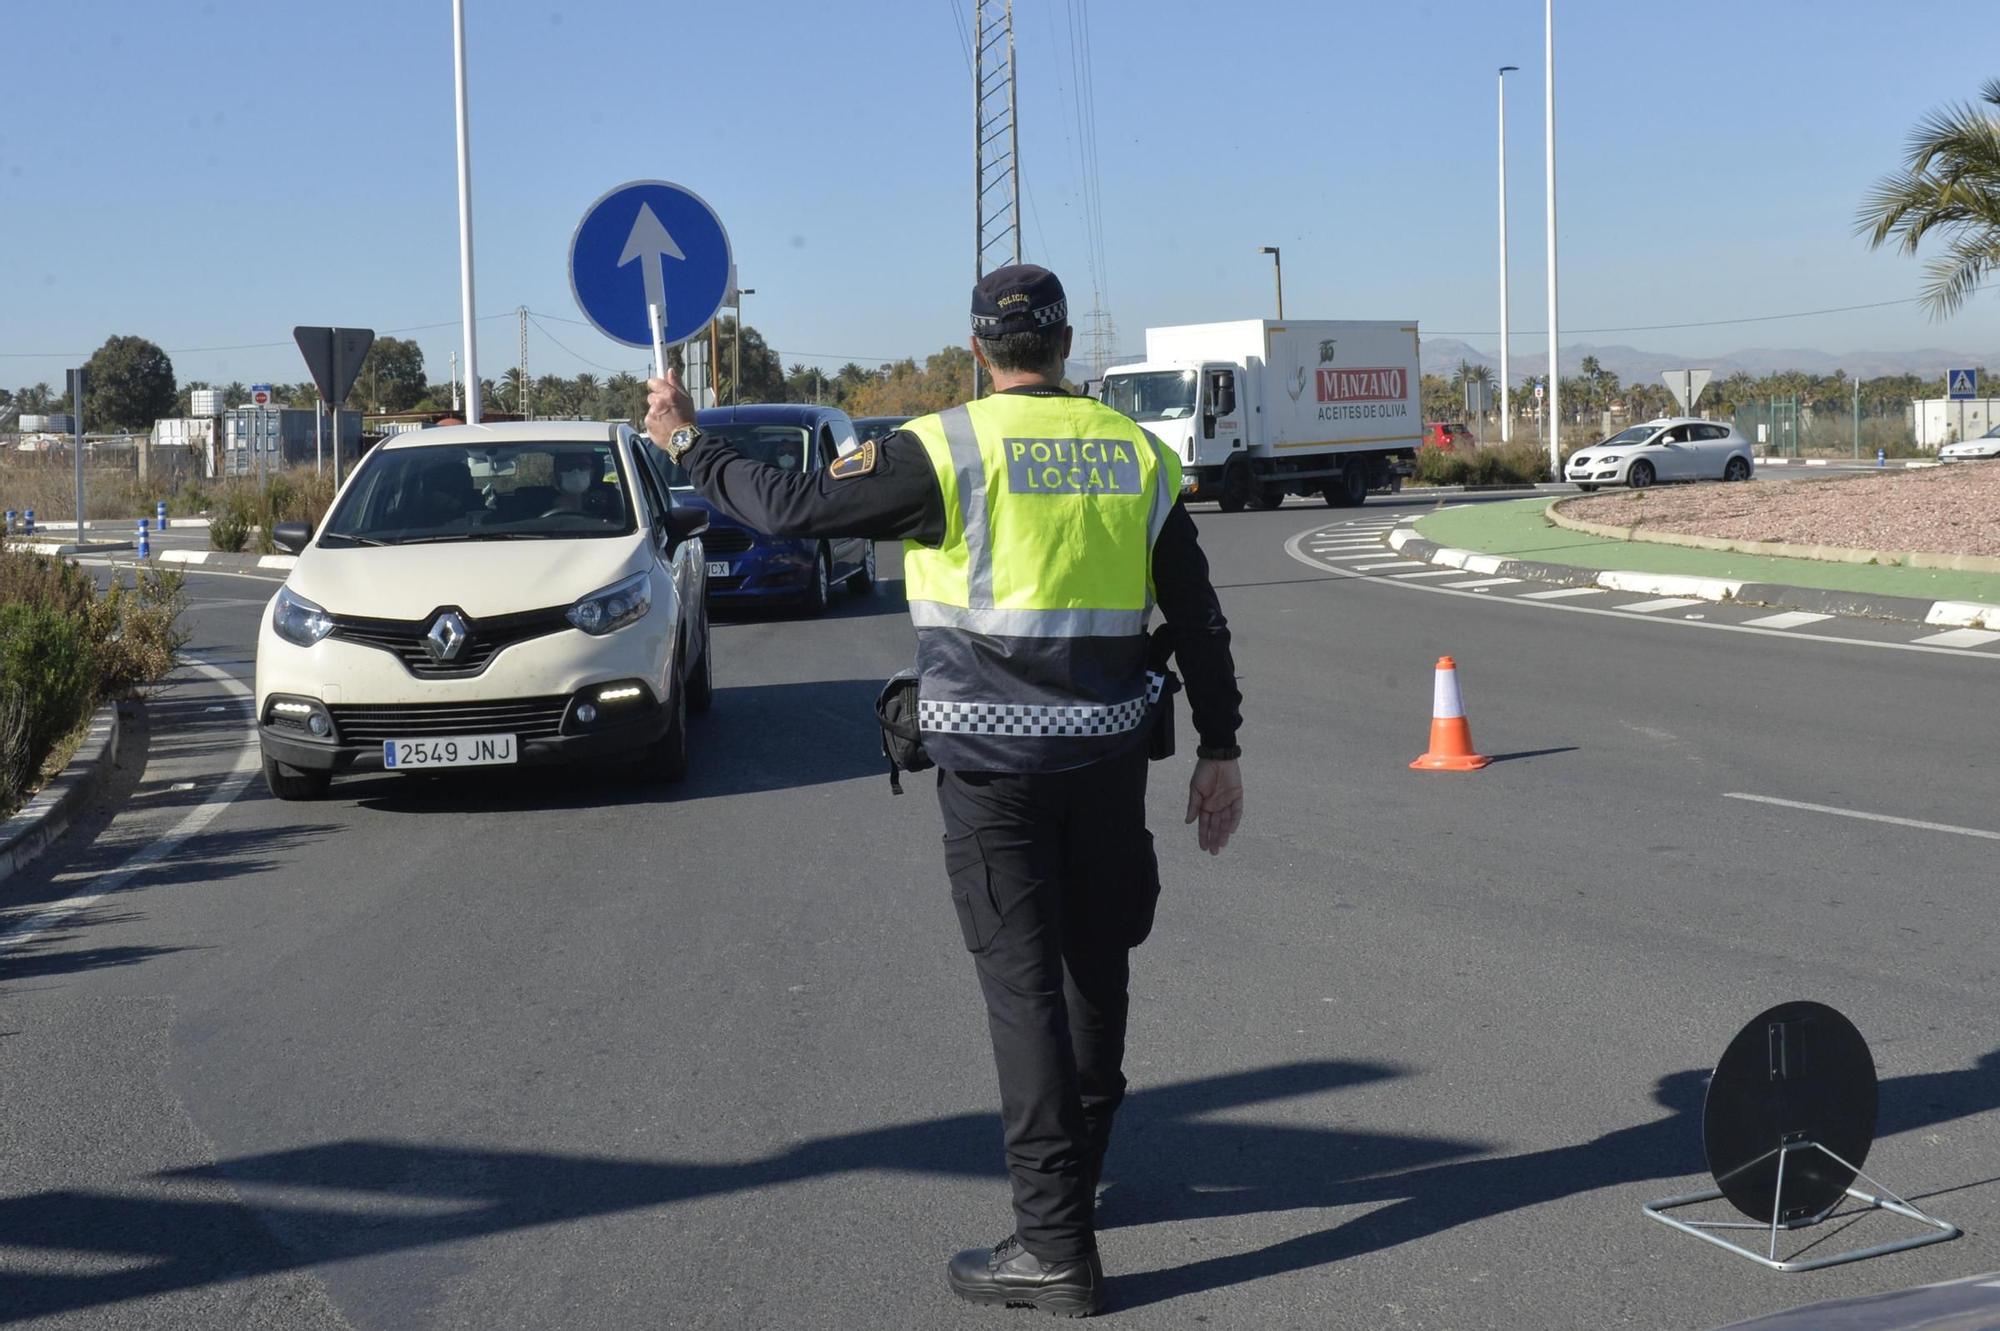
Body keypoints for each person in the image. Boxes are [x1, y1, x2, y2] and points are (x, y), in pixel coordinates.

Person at [646, 264, 1243, 1317]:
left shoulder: (944, 445)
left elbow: (785, 510)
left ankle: (1054, 1246)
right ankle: (1077, 1185)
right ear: (1066, 348)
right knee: (1092, 973)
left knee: (1022, 992)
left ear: (976, 350)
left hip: (991, 771)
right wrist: (1220, 746)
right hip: (1106, 763)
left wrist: (688, 440)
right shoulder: (1134, 451)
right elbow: (1195, 615)